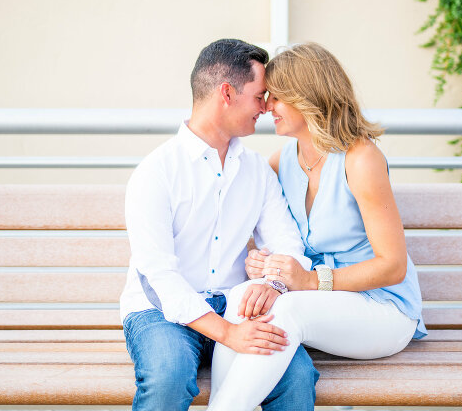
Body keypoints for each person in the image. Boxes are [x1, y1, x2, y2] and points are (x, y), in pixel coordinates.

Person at [208, 42, 428, 411]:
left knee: (286, 313)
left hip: (384, 309)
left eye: (276, 97)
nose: (266, 107)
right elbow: (251, 229)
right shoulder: (282, 161)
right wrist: (263, 264)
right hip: (319, 305)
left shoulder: (361, 160)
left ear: (306, 97)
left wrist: (310, 281)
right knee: (244, 304)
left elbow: (393, 265)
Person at [120, 38, 319, 411]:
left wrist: (274, 284)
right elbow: (158, 277)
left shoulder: (257, 171)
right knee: (168, 377)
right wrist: (228, 334)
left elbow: (288, 245)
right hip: (161, 313)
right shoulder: (156, 172)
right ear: (227, 93)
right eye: (260, 95)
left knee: (297, 378)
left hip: (235, 305)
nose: (266, 107)